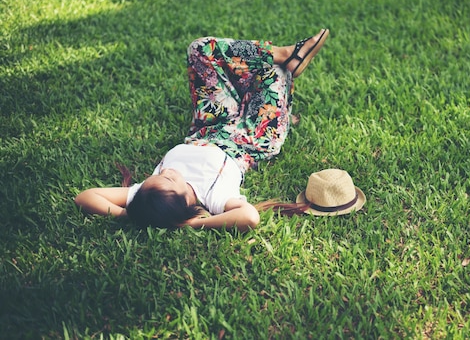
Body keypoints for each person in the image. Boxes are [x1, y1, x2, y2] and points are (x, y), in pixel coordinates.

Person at [75, 29, 329, 232]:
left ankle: (286, 53)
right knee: (272, 73)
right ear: (187, 202)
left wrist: (130, 214)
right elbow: (249, 217)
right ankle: (281, 97)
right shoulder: (213, 195)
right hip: (252, 137)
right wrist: (193, 224)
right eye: (169, 179)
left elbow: (86, 197)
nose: (168, 172)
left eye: (159, 175)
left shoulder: (146, 196)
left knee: (201, 49)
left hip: (210, 126)